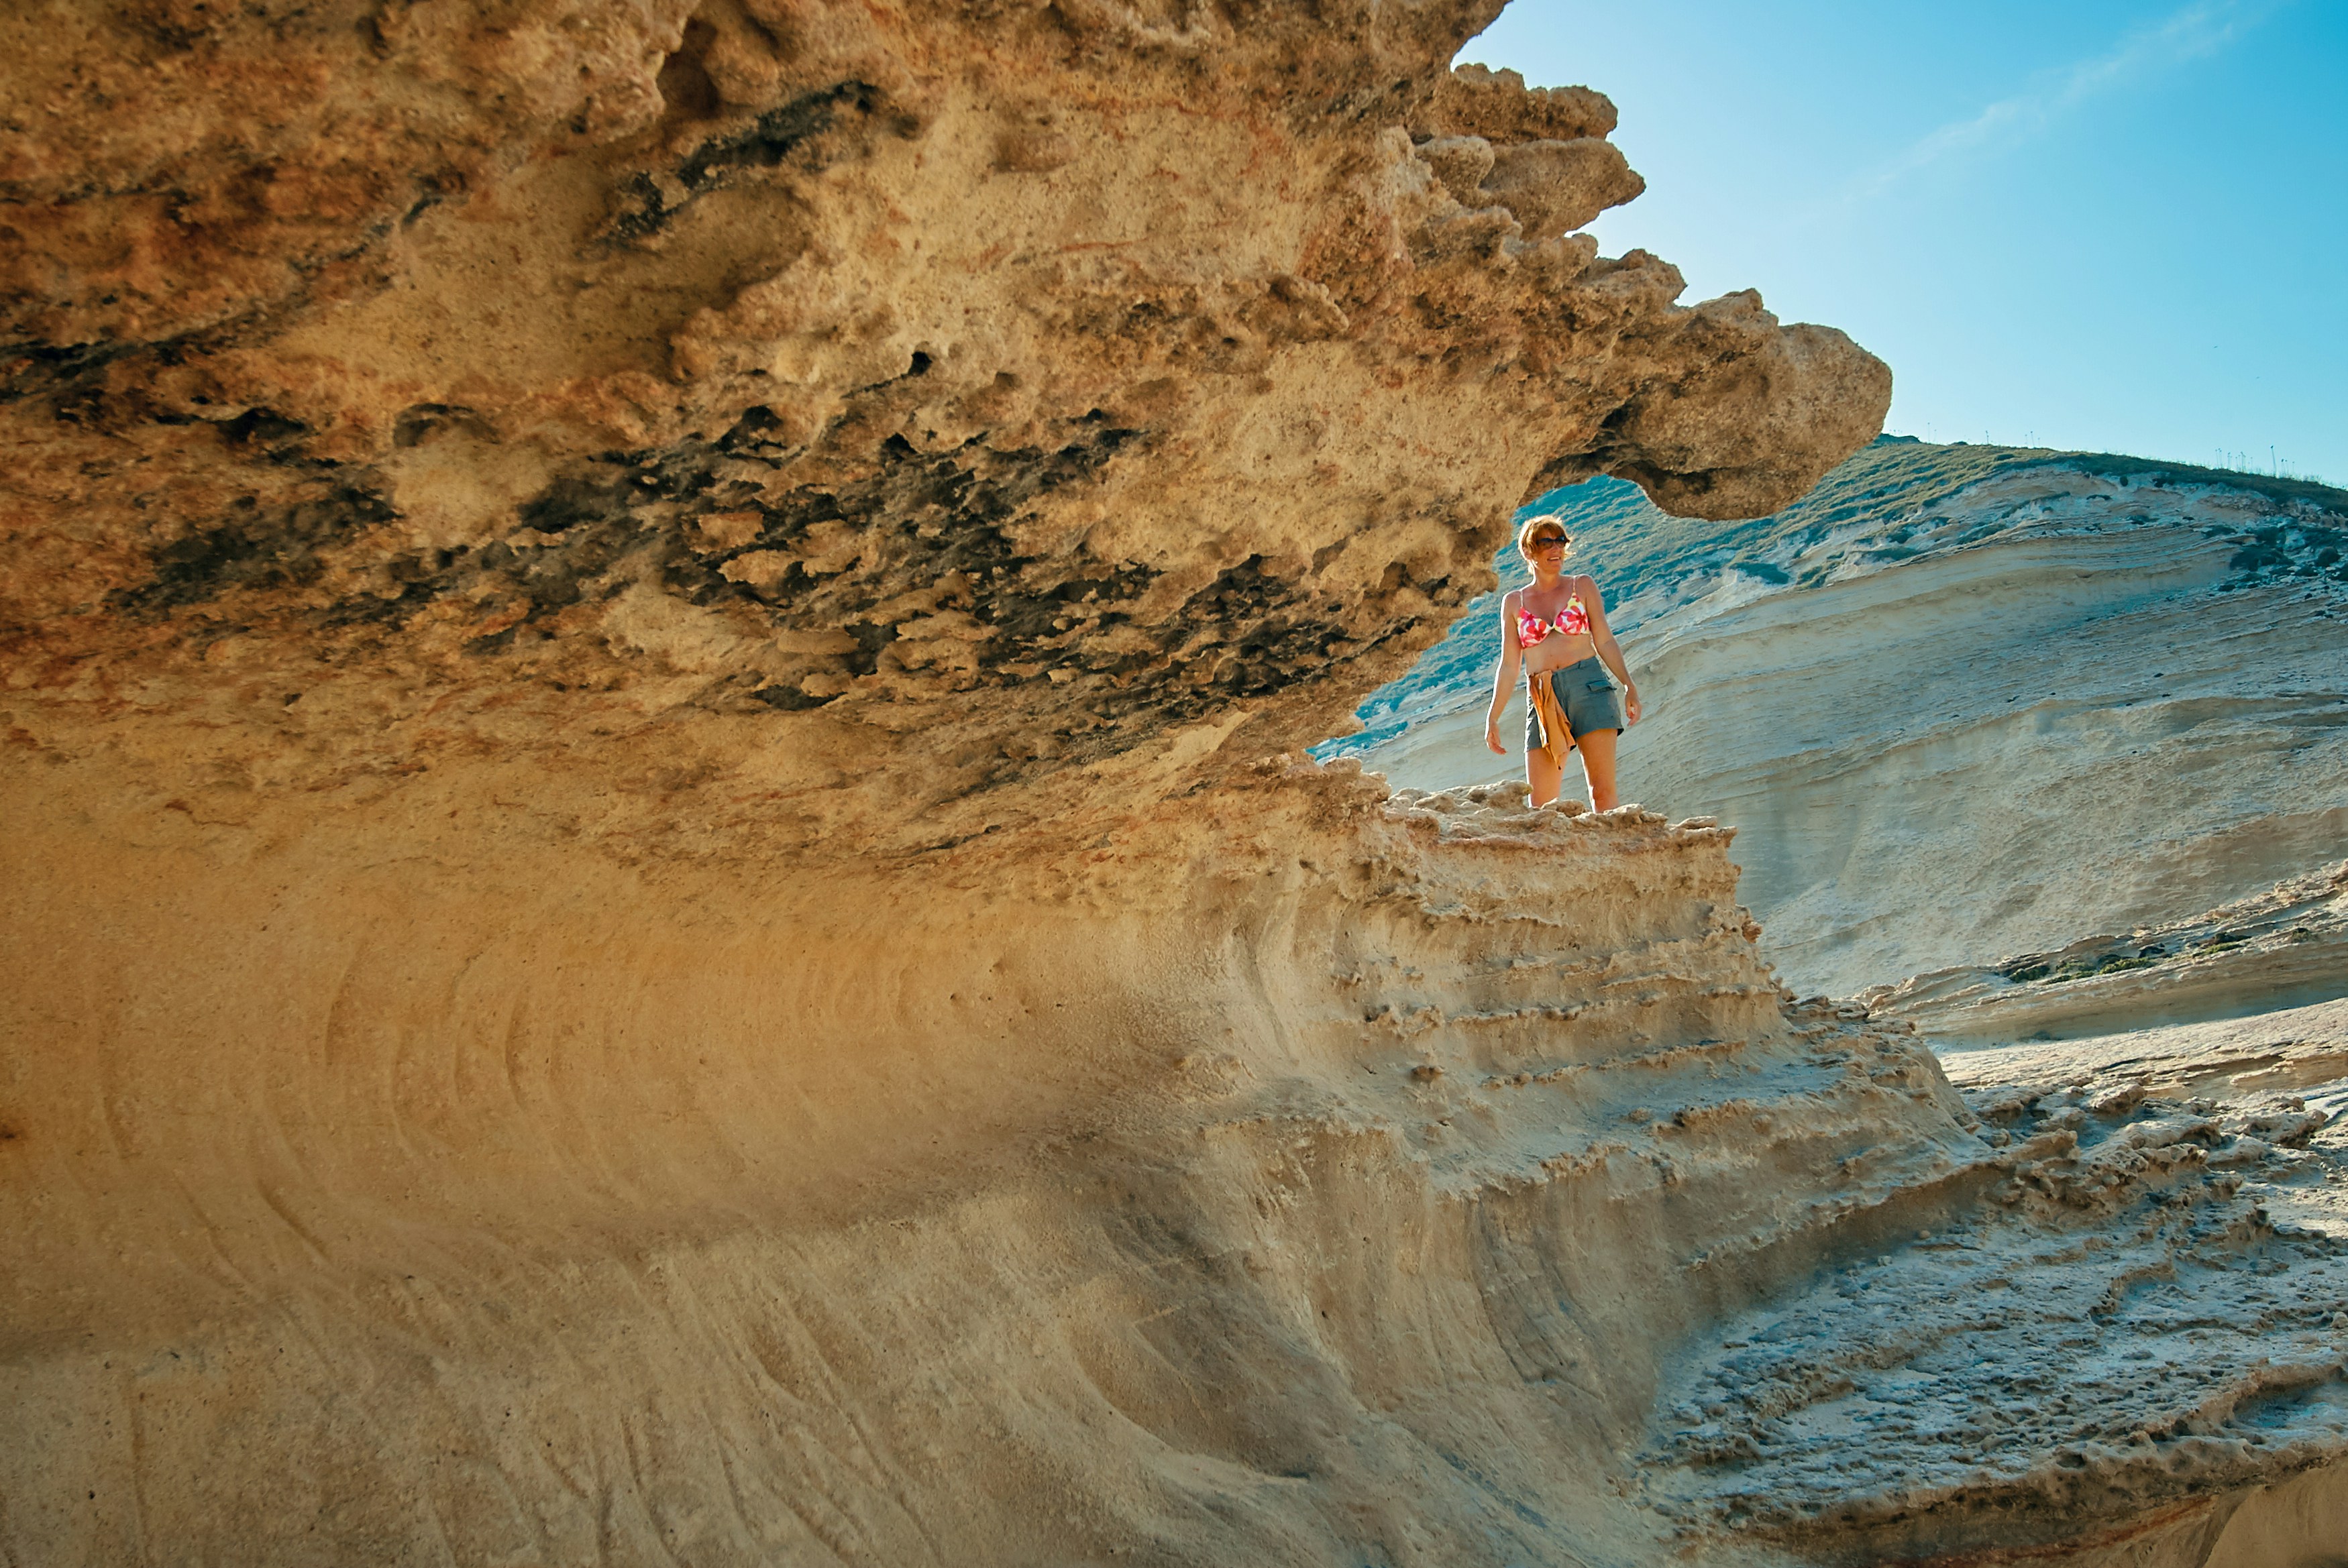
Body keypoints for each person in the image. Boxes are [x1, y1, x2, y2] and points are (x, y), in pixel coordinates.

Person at [1482, 515, 1642, 809]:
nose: (1556, 549)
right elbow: (1508, 665)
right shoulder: (1514, 603)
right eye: (1547, 542)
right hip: (1543, 697)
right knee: (1541, 806)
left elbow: (1604, 640)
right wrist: (1493, 716)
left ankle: (1611, 854)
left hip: (1589, 686)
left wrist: (1628, 684)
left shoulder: (1582, 586)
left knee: (1602, 794)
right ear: (1528, 552)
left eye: (1561, 541)